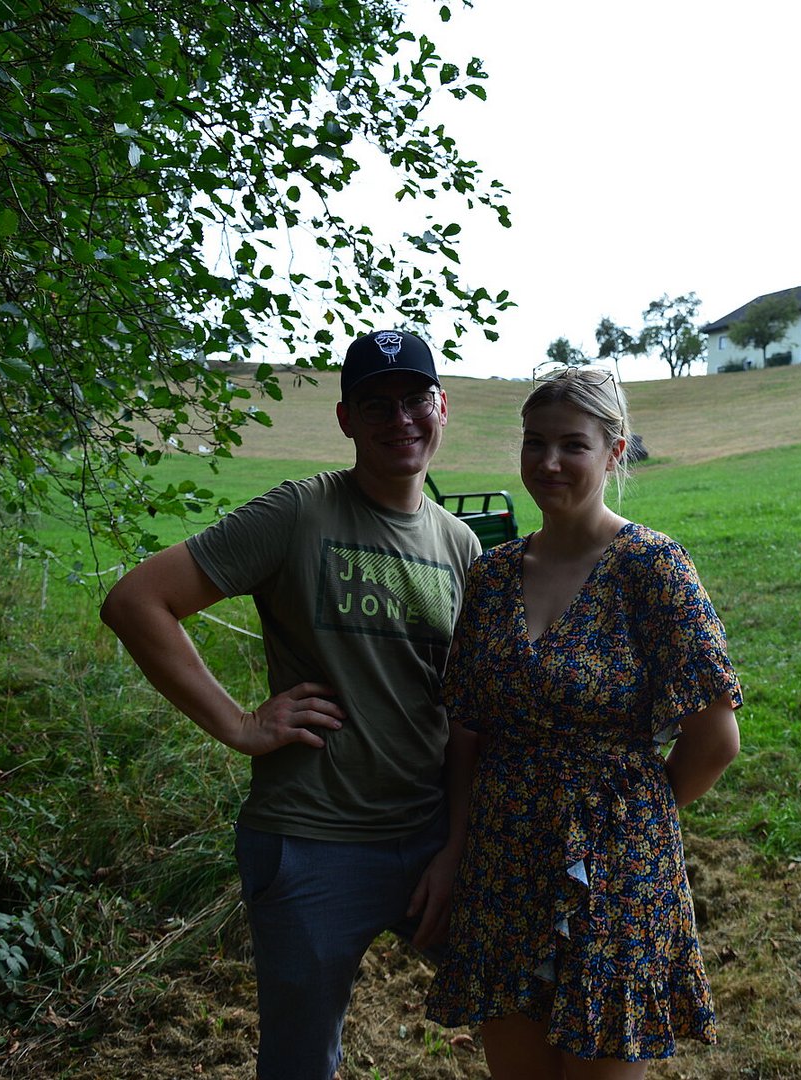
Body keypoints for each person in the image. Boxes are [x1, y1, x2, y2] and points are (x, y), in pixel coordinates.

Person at [99, 329, 480, 1080]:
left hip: (429, 840)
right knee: (301, 1064)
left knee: (526, 1003)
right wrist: (240, 724)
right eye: (376, 405)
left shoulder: (461, 546)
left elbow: (469, 716)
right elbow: (137, 602)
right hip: (312, 844)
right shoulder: (300, 512)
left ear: (442, 407)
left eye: (415, 399)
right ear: (345, 419)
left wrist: (457, 845)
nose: (400, 419)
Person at [426, 365, 742, 1078]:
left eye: (572, 444)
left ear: (614, 451)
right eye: (534, 442)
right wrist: (454, 849)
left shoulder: (653, 568)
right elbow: (468, 729)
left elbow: (715, 741)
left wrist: (628, 816)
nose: (548, 462)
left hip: (618, 870)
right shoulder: (492, 575)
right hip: (503, 863)